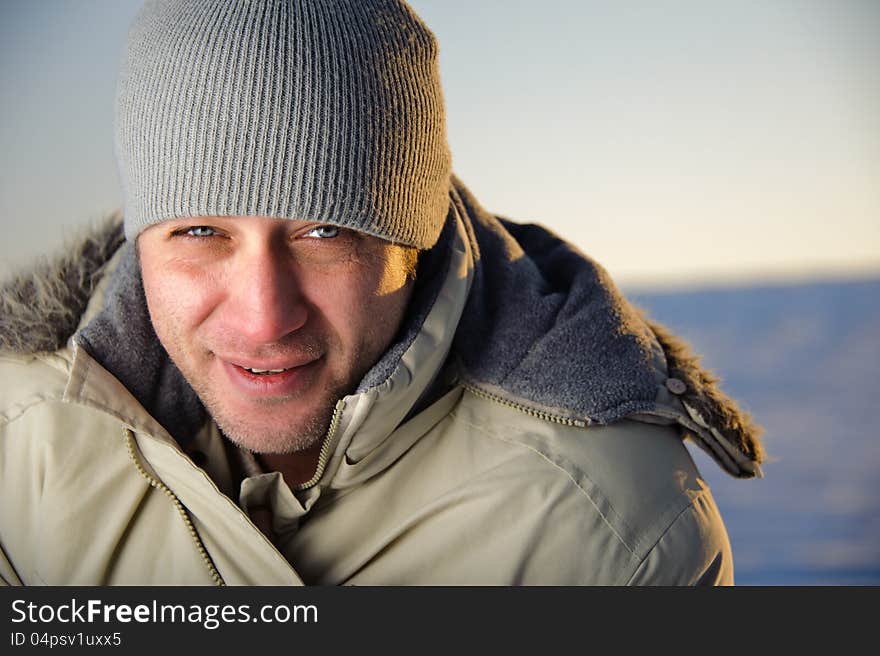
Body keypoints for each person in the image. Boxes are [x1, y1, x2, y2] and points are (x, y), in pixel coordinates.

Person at [0, 0, 763, 586]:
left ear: (416, 232)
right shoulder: (19, 443)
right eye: (201, 233)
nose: (264, 317)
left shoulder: (612, 532)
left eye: (326, 232)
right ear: (142, 238)